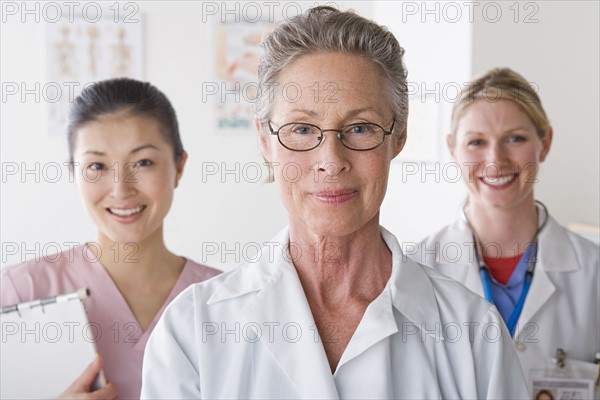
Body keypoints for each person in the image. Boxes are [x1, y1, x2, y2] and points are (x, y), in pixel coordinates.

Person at [141, 7, 529, 399]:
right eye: (302, 129)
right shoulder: (193, 331)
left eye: (359, 128)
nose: (331, 160)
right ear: (264, 141)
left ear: (398, 136)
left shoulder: (474, 334)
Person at [0, 78, 221, 399]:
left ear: (178, 166)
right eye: (97, 166)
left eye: (143, 162)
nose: (121, 189)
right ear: (73, 174)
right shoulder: (20, 290)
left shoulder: (226, 301)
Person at [413, 68, 599, 385]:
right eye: (476, 142)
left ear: (545, 142)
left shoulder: (593, 272)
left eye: (515, 138)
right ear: (453, 149)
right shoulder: (415, 269)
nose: (495, 161)